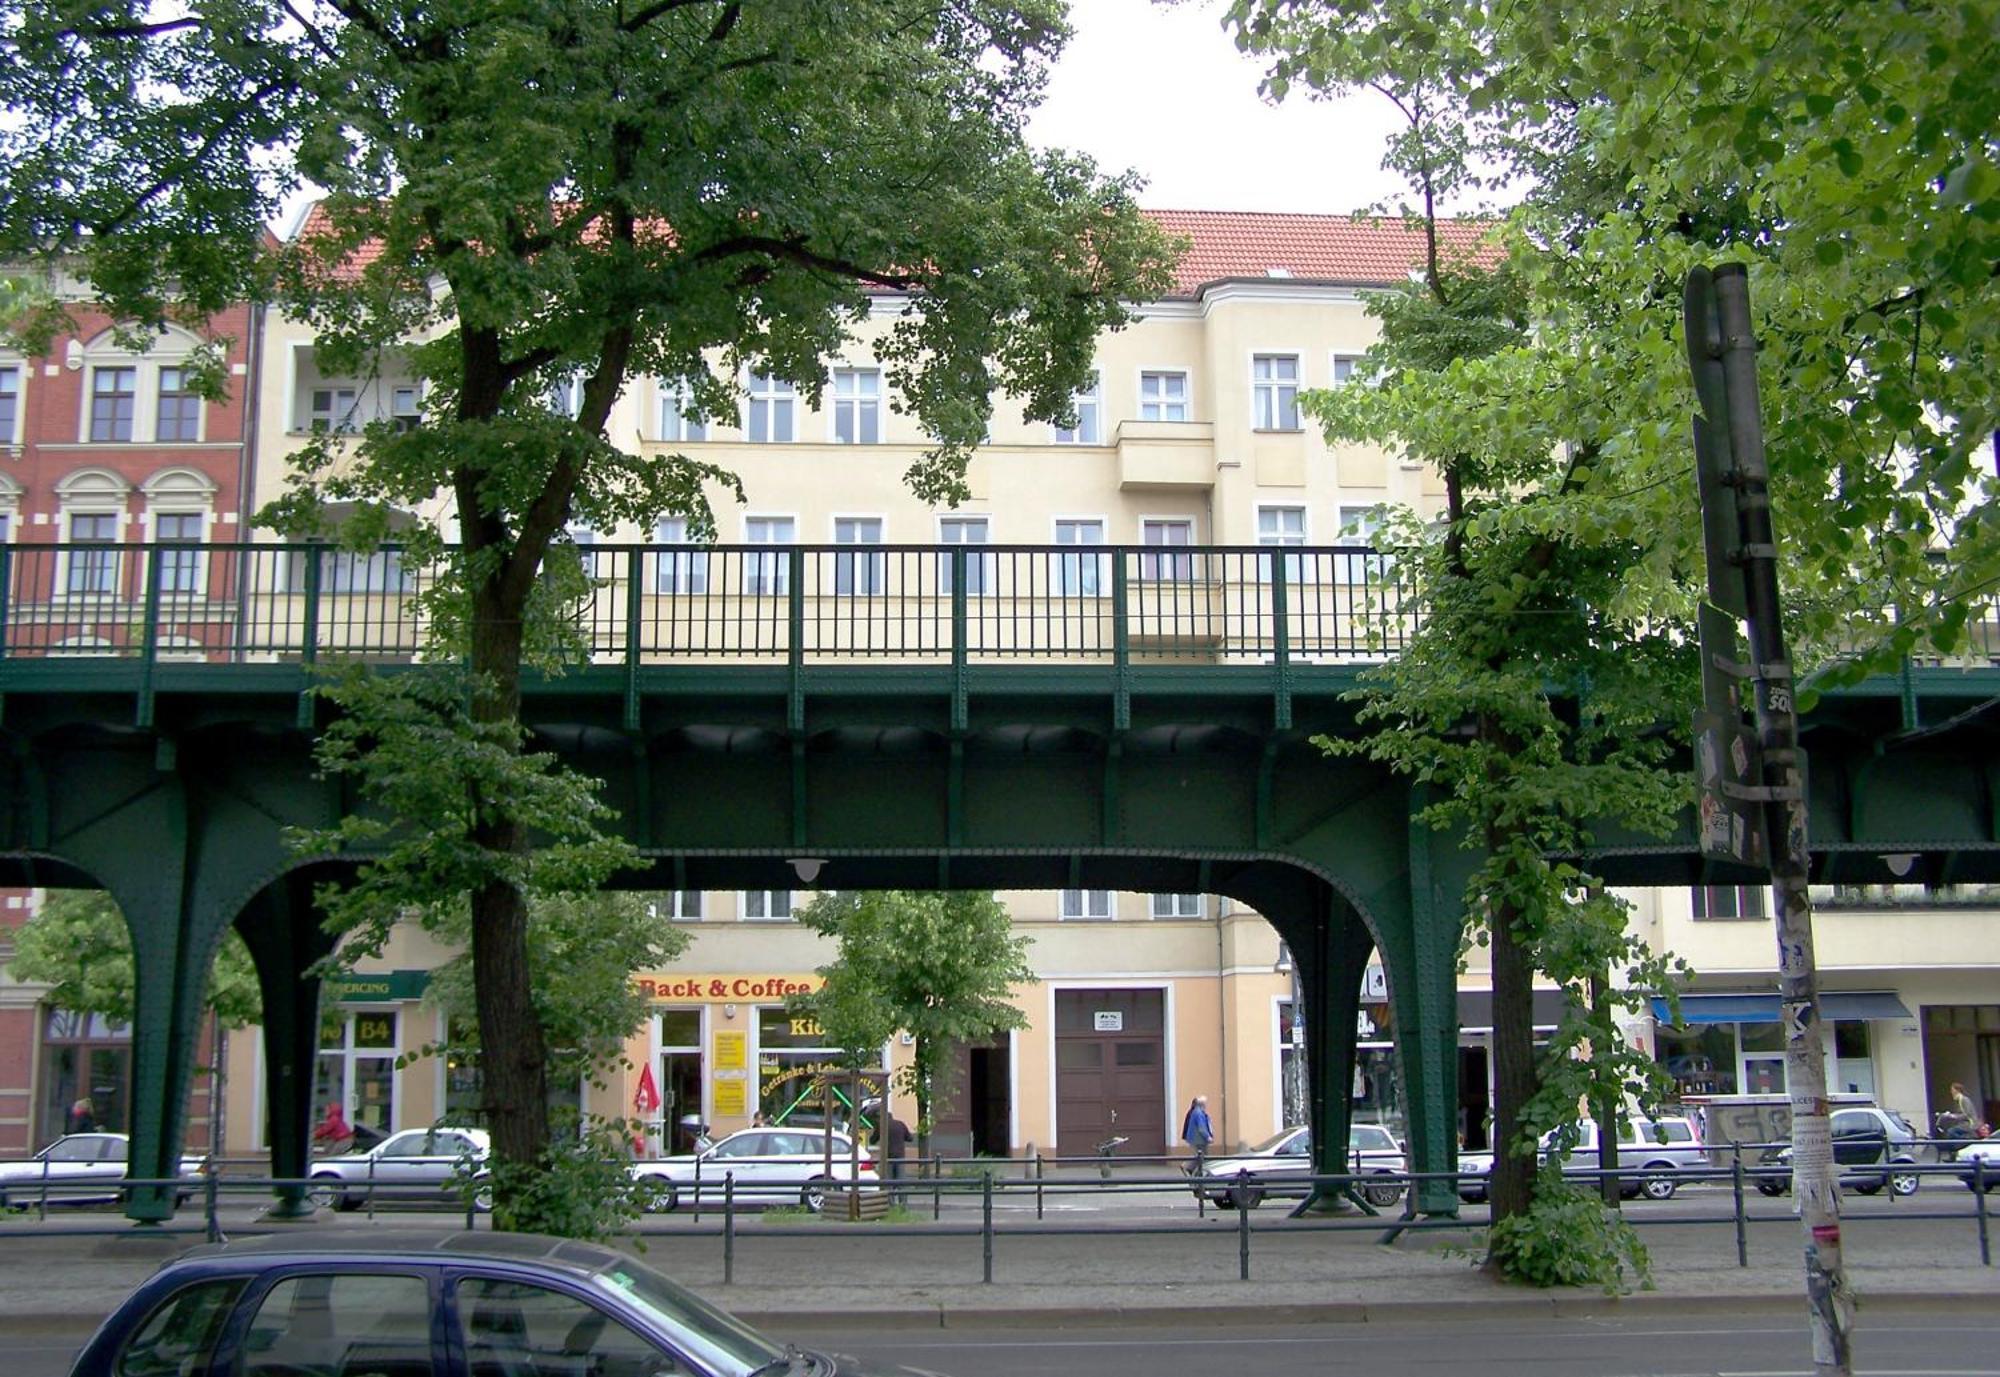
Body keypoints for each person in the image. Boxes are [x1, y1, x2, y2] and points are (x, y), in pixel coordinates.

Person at [1181, 1094, 1214, 1173]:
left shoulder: (1197, 1112)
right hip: (1198, 1140)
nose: (1207, 1105)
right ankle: (1187, 1167)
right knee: (1200, 1156)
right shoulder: (1199, 1113)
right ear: (1203, 1104)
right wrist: (1208, 1137)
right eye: (1206, 1103)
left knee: (1201, 1156)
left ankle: (1196, 1171)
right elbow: (1201, 1127)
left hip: (1197, 1139)